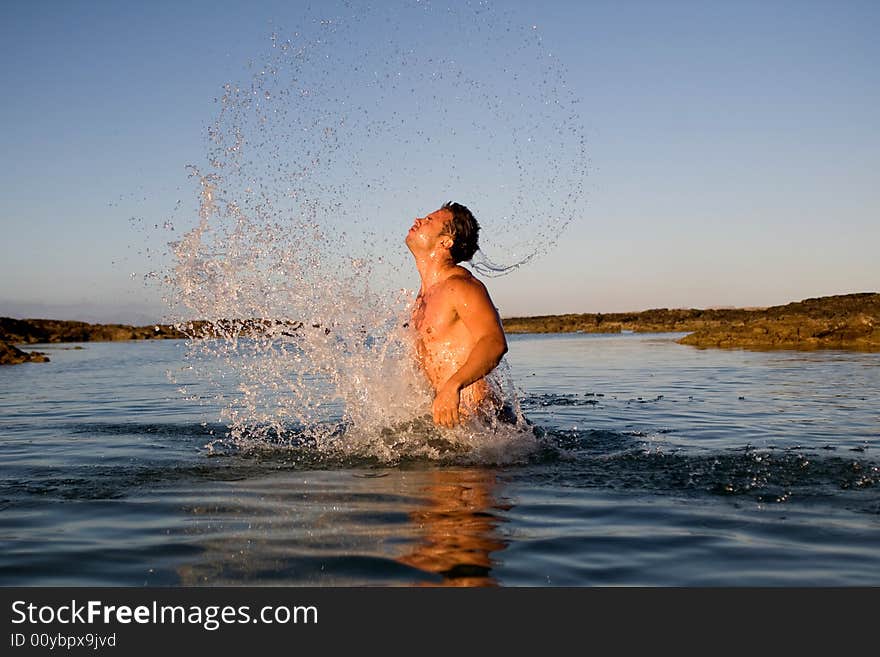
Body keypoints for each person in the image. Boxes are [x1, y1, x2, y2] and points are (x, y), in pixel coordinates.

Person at [405, 202, 508, 428]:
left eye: (429, 220)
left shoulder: (461, 286)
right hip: (453, 419)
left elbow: (494, 341)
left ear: (445, 241)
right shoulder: (424, 296)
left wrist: (453, 386)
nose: (418, 220)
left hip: (481, 423)